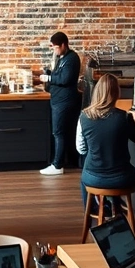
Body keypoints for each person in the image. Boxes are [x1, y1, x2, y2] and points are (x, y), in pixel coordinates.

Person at [76, 73, 135, 214]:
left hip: (93, 177)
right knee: (123, 169)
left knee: (86, 173)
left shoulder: (84, 116)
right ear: (116, 93)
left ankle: (95, 211)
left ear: (97, 92)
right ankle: (116, 208)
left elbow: (81, 149)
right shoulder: (124, 117)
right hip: (122, 178)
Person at [39, 31, 82, 175]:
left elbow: (65, 79)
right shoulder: (62, 58)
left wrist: (48, 78)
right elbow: (58, 74)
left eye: (56, 47)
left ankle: (57, 165)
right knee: (58, 132)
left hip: (64, 101)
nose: (55, 50)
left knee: (59, 132)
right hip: (57, 100)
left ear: (63, 45)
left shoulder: (72, 59)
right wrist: (48, 73)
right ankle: (60, 162)